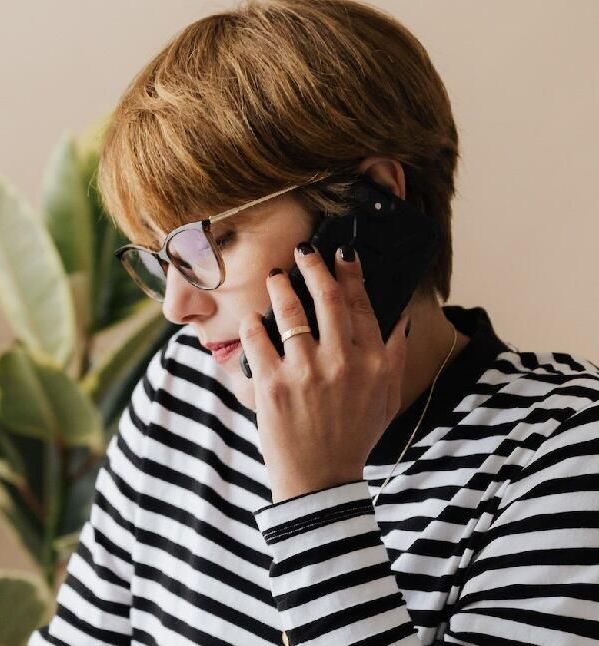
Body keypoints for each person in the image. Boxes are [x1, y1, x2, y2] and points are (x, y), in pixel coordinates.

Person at [29, 1, 599, 644]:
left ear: (371, 202)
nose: (176, 307)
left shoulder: (564, 455)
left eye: (211, 243)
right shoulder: (186, 387)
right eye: (161, 257)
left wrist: (318, 493)